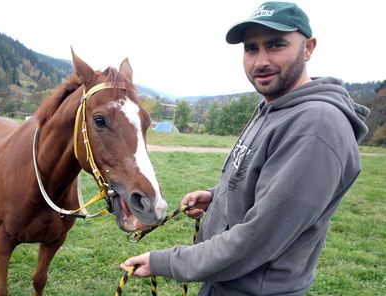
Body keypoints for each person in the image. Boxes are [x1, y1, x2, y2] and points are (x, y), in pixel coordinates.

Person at [120, 2, 370, 295]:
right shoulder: (272, 106)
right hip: (226, 281)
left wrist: (166, 261)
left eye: (276, 45)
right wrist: (216, 198)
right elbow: (261, 181)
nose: (260, 61)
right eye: (251, 48)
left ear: (308, 48)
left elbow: (258, 238)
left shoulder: (316, 126)